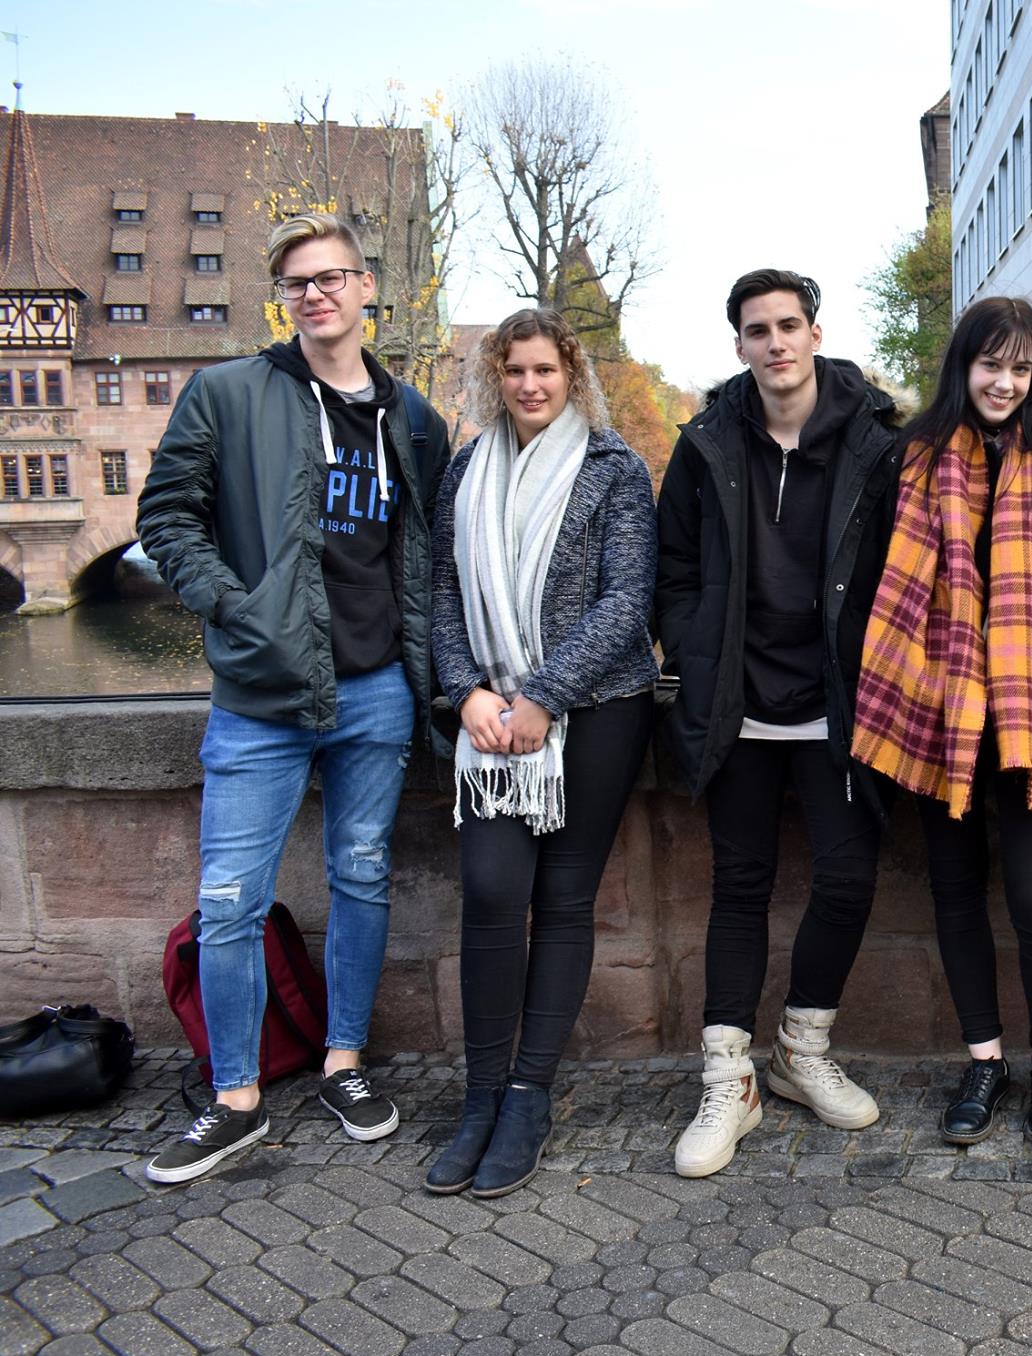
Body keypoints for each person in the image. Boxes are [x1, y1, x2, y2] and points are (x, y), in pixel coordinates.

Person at [136, 210, 450, 1184]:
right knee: (230, 896)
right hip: (260, 692)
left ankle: (343, 1063)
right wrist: (233, 607)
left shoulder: (414, 419)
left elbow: (428, 551)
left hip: (377, 689)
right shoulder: (230, 393)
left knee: (362, 874)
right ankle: (235, 1098)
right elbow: (166, 516)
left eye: (331, 276)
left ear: (365, 288)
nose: (315, 294)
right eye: (297, 282)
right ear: (284, 297)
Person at [853, 298, 1032, 1145]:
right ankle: (984, 1060)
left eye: (1021, 367)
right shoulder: (913, 453)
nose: (1005, 382)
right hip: (939, 705)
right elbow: (880, 578)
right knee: (955, 891)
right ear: (962, 366)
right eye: (990, 365)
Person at [656, 270, 901, 1178]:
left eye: (789, 325)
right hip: (739, 702)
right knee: (739, 884)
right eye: (757, 330)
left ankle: (802, 1050)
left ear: (815, 333)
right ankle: (731, 1078)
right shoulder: (707, 440)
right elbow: (673, 564)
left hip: (839, 698)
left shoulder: (876, 440)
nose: (775, 342)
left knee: (848, 876)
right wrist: (695, 649)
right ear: (739, 345)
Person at [423, 309, 658, 1197]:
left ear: (571, 377)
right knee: (490, 891)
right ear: (497, 376)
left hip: (597, 710)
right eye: (515, 370)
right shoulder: (466, 471)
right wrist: (467, 690)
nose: (530, 385)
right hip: (489, 717)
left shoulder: (613, 467)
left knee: (563, 898)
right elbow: (443, 589)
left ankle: (528, 1094)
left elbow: (627, 599)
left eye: (545, 371)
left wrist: (543, 695)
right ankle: (481, 1093)